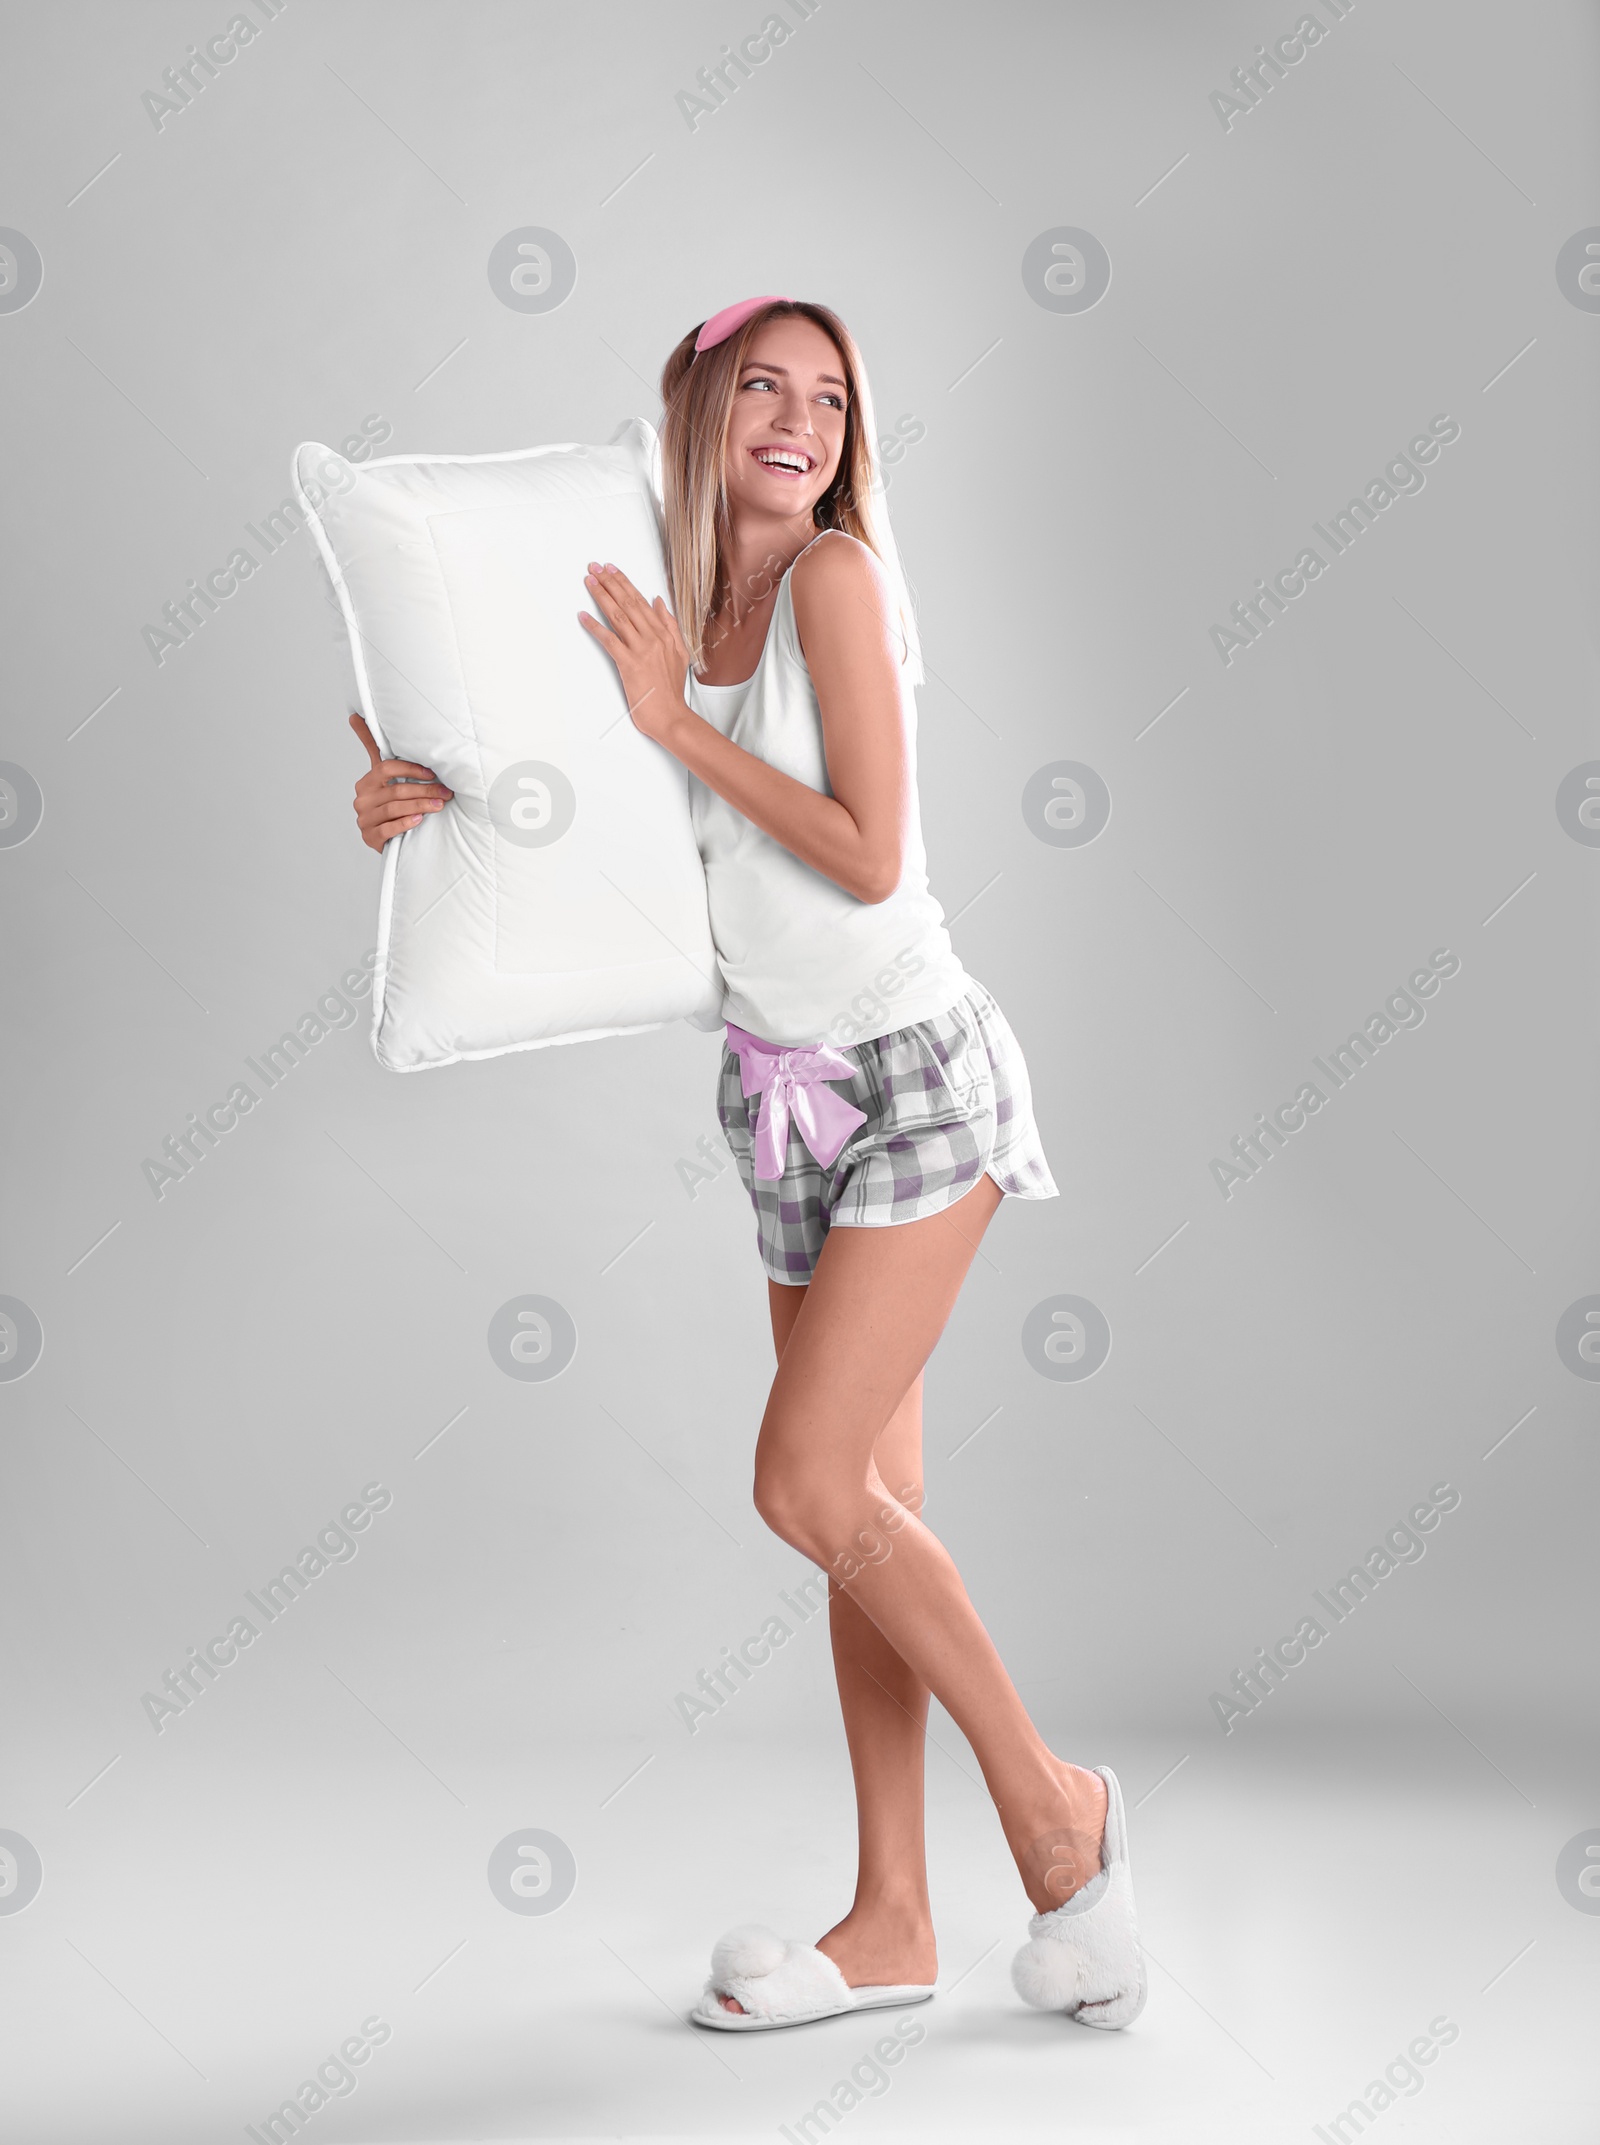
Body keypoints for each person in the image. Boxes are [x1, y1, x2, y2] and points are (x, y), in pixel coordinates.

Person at [349, 296, 1144, 2033]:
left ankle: (1063, 1818)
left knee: (804, 1483)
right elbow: (594, 808)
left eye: (834, 396)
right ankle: (895, 1920)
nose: (801, 418)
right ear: (699, 407)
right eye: (766, 386)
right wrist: (430, 799)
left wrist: (673, 722)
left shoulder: (837, 583)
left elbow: (866, 855)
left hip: (916, 1074)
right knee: (871, 1514)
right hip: (779, 1096)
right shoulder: (668, 604)